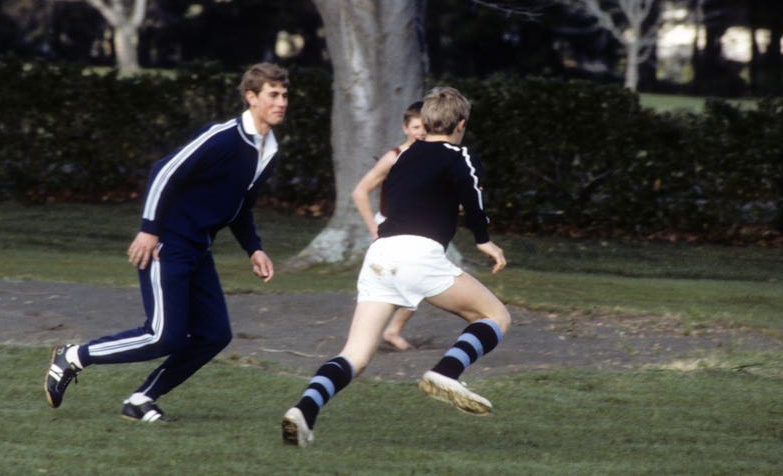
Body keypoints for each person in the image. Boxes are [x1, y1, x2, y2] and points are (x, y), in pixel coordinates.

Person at [44, 62, 289, 423]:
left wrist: (254, 248)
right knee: (163, 335)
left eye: (284, 95)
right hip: (168, 244)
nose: (281, 101)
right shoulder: (223, 136)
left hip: (198, 251)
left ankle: (141, 400)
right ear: (251, 98)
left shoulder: (268, 149)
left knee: (214, 335)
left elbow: (240, 206)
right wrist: (149, 228)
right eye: (273, 94)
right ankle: (74, 356)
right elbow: (164, 170)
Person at [281, 86, 510, 447]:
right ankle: (446, 371)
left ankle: (303, 410)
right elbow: (473, 197)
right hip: (418, 254)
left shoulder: (403, 156)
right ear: (460, 124)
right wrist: (484, 240)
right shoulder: (459, 154)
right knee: (495, 316)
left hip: (380, 254)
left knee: (354, 355)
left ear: (427, 120)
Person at [350, 101, 426, 351]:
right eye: (416, 126)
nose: (421, 131)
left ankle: (392, 331)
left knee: (419, 282)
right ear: (406, 128)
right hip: (392, 231)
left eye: (425, 126)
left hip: (419, 231)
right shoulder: (393, 158)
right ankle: (367, 339)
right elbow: (360, 191)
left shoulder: (434, 157)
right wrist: (373, 228)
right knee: (390, 284)